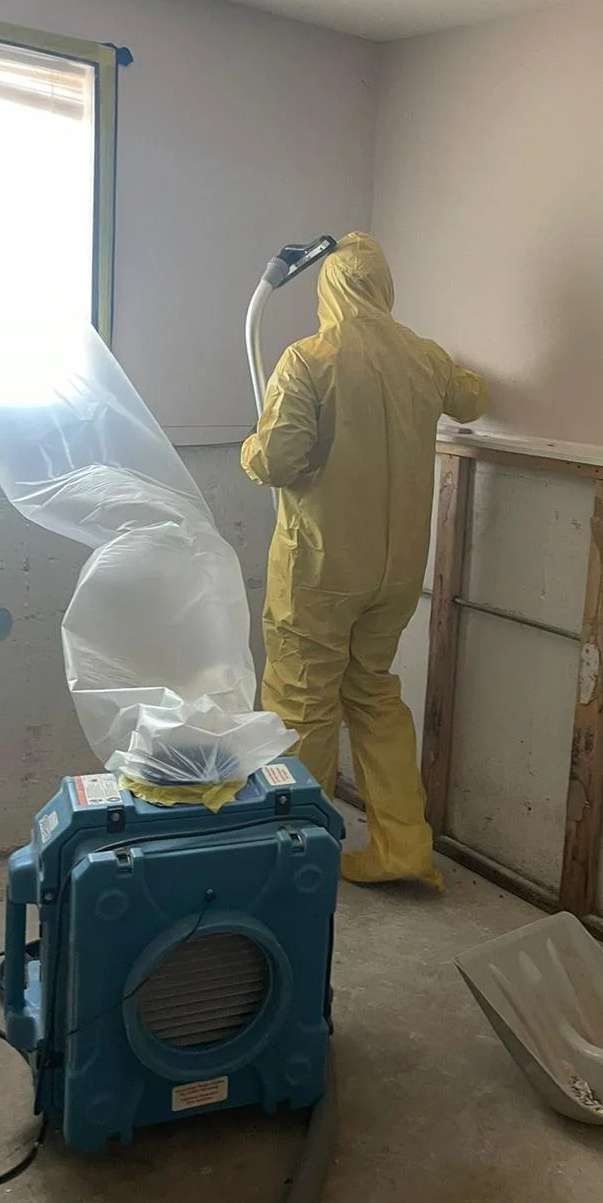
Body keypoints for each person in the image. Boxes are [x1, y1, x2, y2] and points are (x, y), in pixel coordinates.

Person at [241, 231, 487, 887]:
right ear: (383, 287)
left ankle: (297, 856)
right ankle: (403, 847)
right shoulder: (424, 357)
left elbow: (277, 461)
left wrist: (249, 449)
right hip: (398, 569)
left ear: (328, 288)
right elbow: (473, 399)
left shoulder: (308, 359)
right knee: (374, 693)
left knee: (302, 704)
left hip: (321, 569)